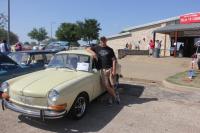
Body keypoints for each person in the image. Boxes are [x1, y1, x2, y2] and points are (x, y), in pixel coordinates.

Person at [86, 36, 120, 104]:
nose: (103, 41)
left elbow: (114, 60)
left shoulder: (110, 49)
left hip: (110, 69)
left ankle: (113, 98)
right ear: (100, 41)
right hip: (102, 70)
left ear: (106, 41)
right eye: (102, 40)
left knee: (111, 85)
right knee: (106, 85)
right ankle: (115, 96)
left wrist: (113, 70)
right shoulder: (96, 47)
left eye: (104, 40)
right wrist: (94, 53)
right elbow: (87, 49)